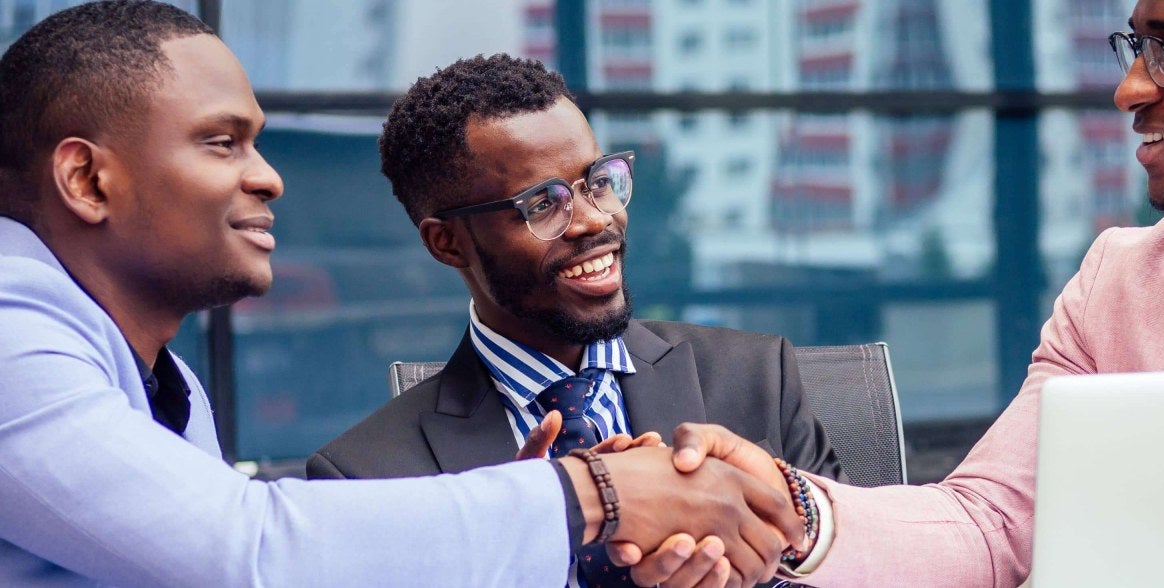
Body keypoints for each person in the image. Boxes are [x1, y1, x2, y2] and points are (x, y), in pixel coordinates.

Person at [629, 0, 1164, 586]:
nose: (1130, 88)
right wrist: (788, 505)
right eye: (1136, 46)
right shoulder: (1122, 283)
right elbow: (992, 524)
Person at [0, 2, 803, 586]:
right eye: (222, 142)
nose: (268, 176)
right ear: (86, 178)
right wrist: (587, 496)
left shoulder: (165, 387)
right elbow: (245, 551)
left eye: (598, 181)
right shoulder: (10, 329)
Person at [305, 53, 845, 587]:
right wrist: (524, 535)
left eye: (598, 181)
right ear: (447, 243)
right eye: (542, 204)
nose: (596, 218)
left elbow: (853, 568)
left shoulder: (756, 377)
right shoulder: (366, 477)